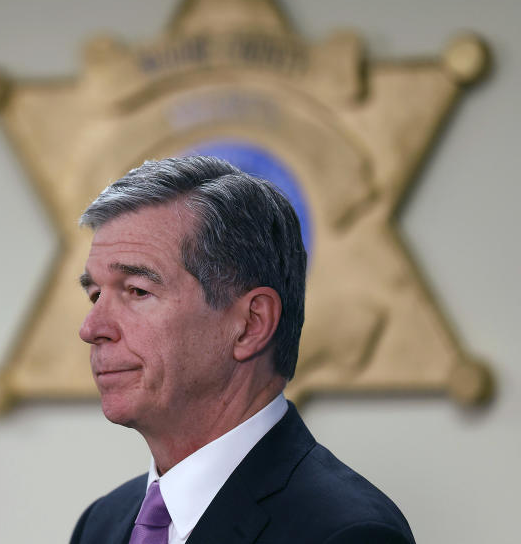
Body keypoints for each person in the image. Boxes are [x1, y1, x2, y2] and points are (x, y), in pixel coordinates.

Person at [70, 156, 414, 544]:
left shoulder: (346, 533)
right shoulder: (101, 525)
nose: (91, 328)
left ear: (251, 325)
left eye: (137, 291)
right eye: (95, 294)